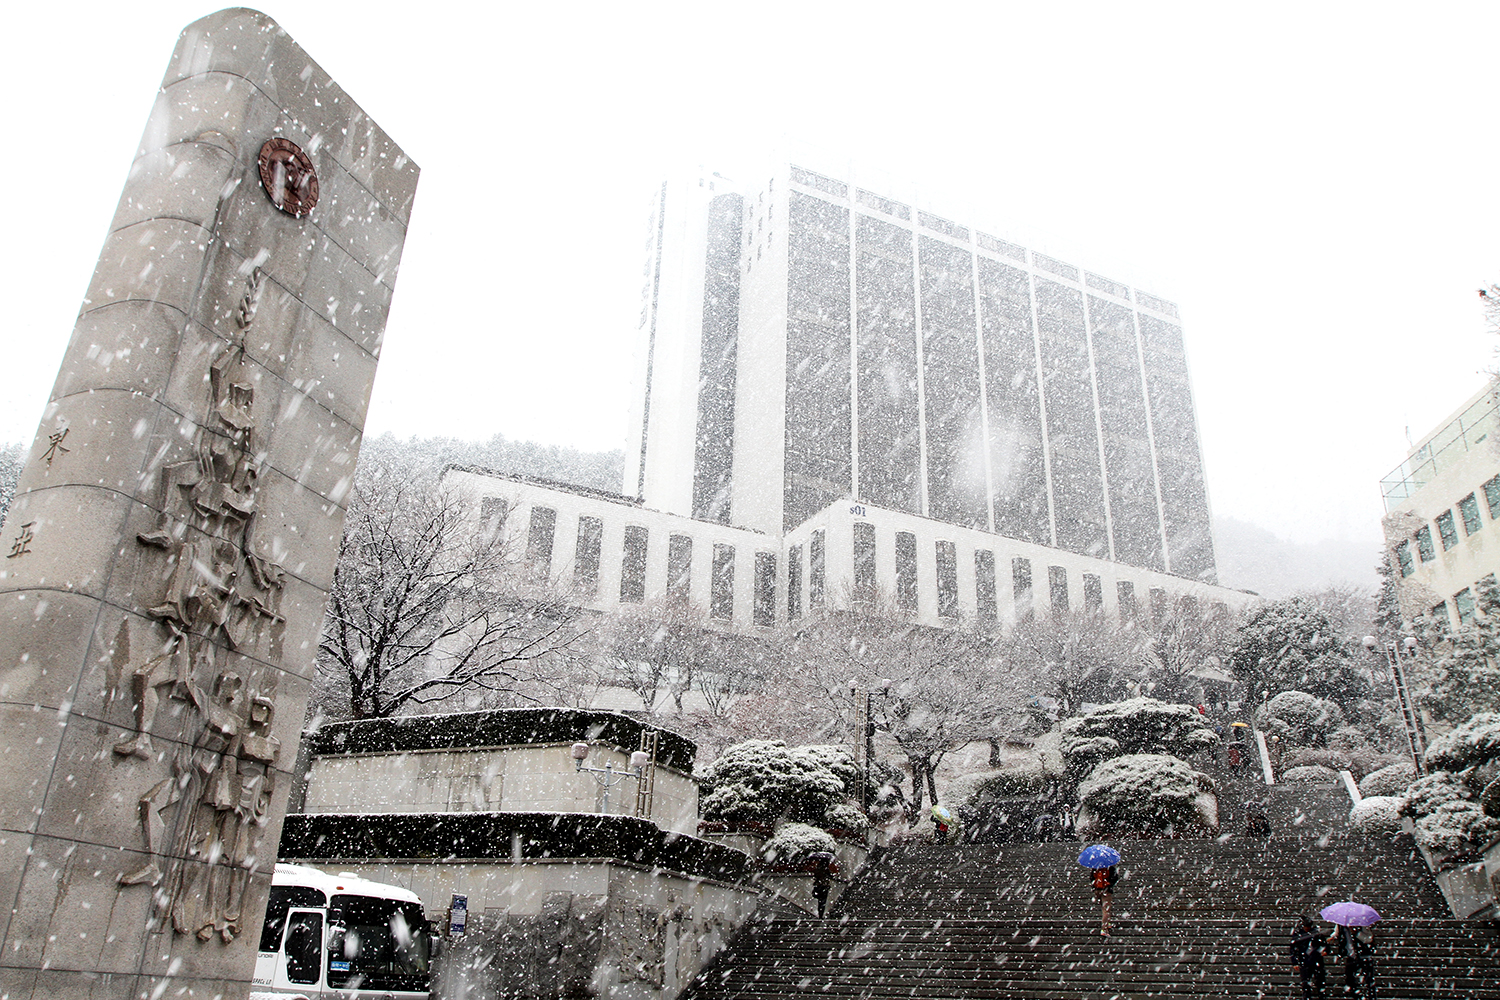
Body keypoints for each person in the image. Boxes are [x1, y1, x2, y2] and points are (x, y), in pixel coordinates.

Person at [1330, 923, 1375, 999]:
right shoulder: (1341, 925)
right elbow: (1337, 932)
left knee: (1368, 979)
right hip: (1351, 956)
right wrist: (1334, 936)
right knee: (1349, 979)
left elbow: (1369, 939)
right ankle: (1357, 995)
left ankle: (1370, 996)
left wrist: (1357, 933)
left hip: (1363, 955)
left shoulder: (1361, 924)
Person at [1288, 915, 1327, 999]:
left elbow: (1325, 945)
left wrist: (1325, 951)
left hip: (1314, 959)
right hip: (1306, 961)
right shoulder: (1300, 934)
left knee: (1319, 981)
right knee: (1307, 983)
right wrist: (1295, 962)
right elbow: (1293, 949)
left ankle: (1319, 995)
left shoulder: (1315, 934)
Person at [1090, 865, 1118, 937]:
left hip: (1097, 890)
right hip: (1106, 890)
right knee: (1106, 909)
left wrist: (1094, 887)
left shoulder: (1095, 867)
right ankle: (1104, 929)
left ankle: (1107, 922)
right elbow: (1115, 878)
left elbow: (1092, 878)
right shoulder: (1110, 867)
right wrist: (1110, 885)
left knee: (1103, 907)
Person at [808, 851, 837, 918]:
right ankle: (821, 913)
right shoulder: (826, 869)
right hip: (824, 885)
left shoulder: (818, 868)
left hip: (819, 885)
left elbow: (815, 875)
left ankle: (820, 913)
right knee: (823, 901)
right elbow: (830, 875)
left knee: (820, 900)